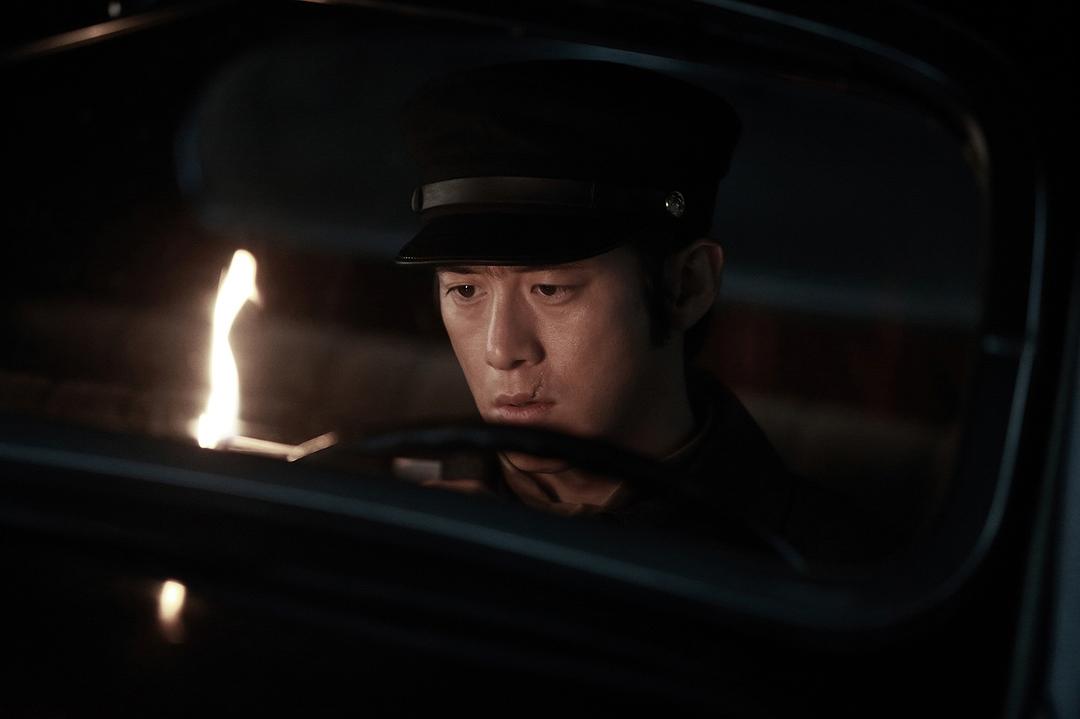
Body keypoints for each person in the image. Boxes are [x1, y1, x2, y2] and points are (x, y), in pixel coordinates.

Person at [394, 59, 808, 559]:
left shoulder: (817, 568)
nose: (501, 350)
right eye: (465, 290)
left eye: (550, 289)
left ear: (687, 286)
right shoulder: (374, 497)